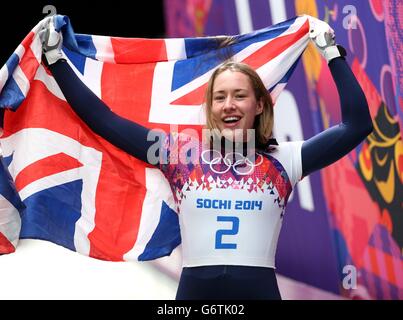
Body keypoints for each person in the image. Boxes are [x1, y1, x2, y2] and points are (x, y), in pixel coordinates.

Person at [39, 16, 373, 300]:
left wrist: (331, 53)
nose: (229, 104)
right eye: (220, 97)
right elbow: (104, 120)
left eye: (240, 96)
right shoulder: (178, 154)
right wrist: (56, 60)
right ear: (210, 108)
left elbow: (356, 125)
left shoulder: (285, 159)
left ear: (258, 106)